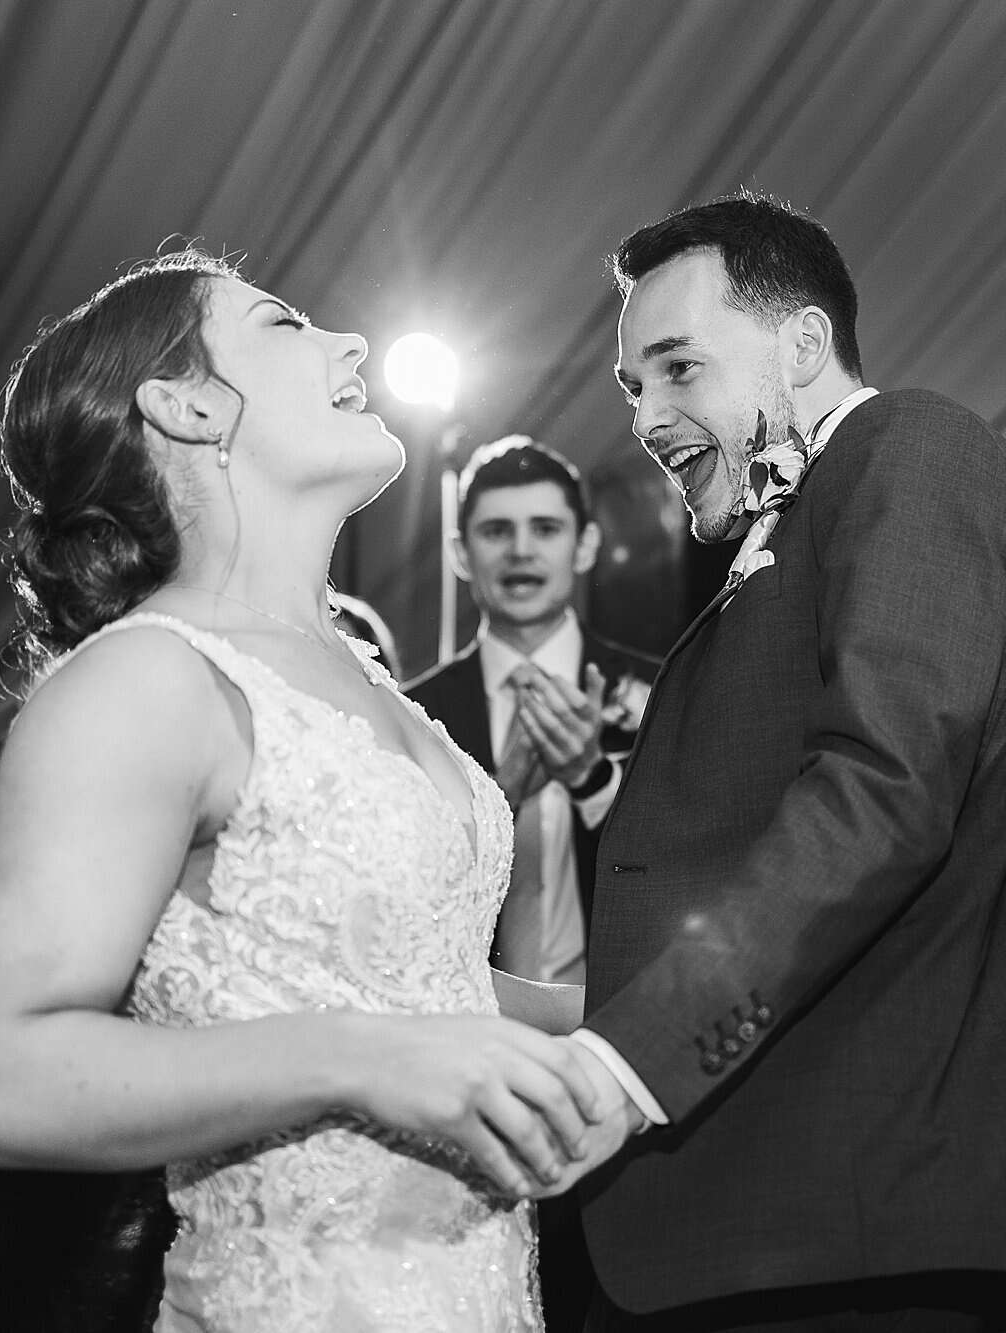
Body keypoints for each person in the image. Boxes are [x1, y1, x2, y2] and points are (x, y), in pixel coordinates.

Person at [566, 192, 1006, 1331]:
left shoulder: (914, 448)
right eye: (634, 387)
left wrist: (628, 1063)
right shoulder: (798, 517)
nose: (646, 414)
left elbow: (883, 791)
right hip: (778, 1215)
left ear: (803, 345)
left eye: (678, 366)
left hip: (855, 1210)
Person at [0, 248, 608, 1332]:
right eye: (287, 325)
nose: (351, 344)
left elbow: (420, 986)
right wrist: (353, 1057)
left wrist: (646, 1012)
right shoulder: (147, 678)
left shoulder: (366, 679)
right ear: (185, 405)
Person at [406, 435, 659, 1331]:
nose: (521, 550)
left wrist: (595, 783)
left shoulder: (662, 691)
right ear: (460, 552)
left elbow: (693, 887)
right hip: (470, 1056)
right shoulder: (411, 713)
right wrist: (498, 802)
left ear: (585, 545)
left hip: (625, 1043)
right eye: (497, 530)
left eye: (546, 528)